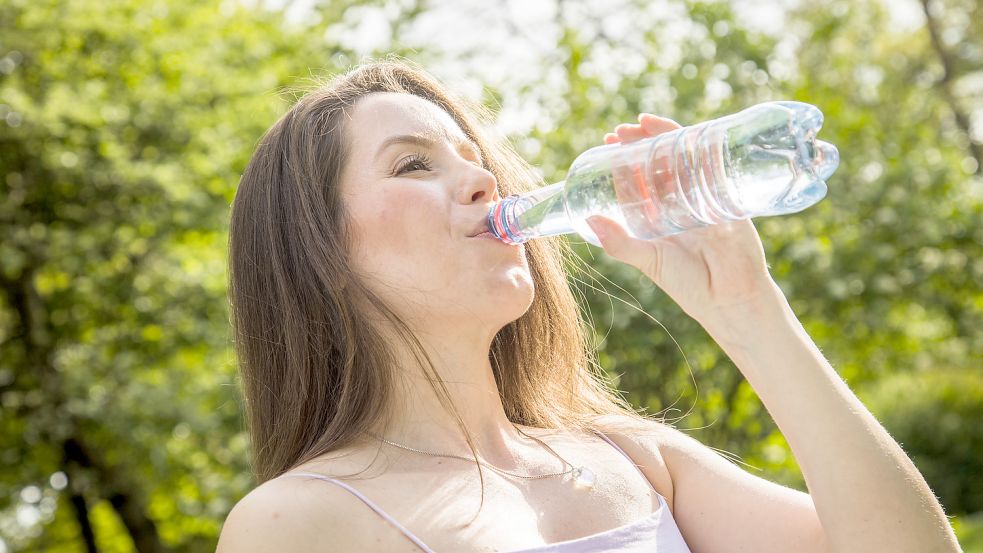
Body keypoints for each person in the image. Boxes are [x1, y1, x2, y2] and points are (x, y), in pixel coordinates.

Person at [217, 60, 959, 552]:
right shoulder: (299, 521)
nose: (482, 180)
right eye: (414, 164)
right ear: (320, 253)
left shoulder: (633, 458)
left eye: (473, 157)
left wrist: (746, 307)